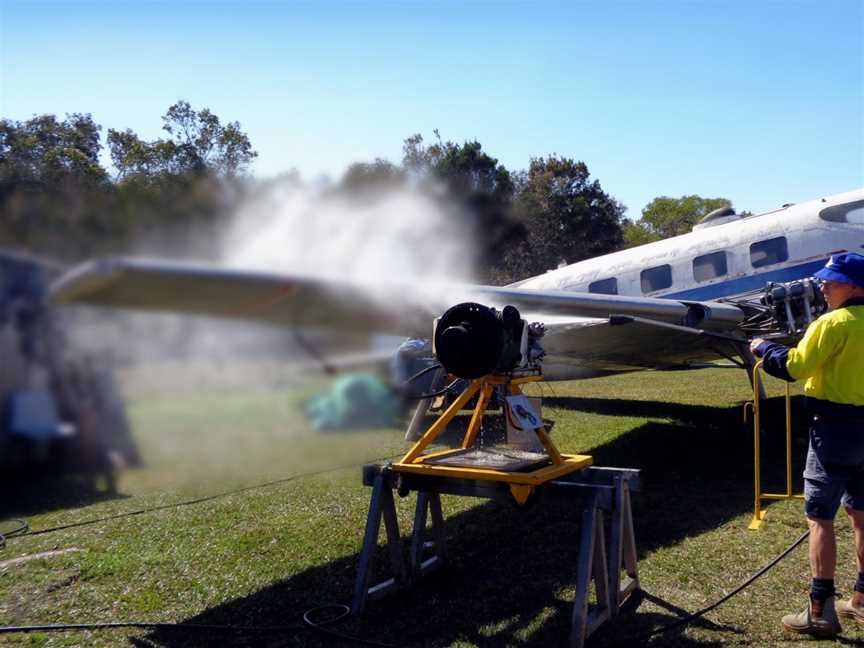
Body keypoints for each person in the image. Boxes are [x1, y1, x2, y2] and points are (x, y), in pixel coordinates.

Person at [750, 252, 864, 637]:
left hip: (833, 431)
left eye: (833, 281)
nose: (824, 287)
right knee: (862, 514)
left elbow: (795, 367)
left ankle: (820, 610)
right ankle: (862, 601)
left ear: (855, 287)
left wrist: (764, 349)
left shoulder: (830, 323)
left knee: (820, 519)